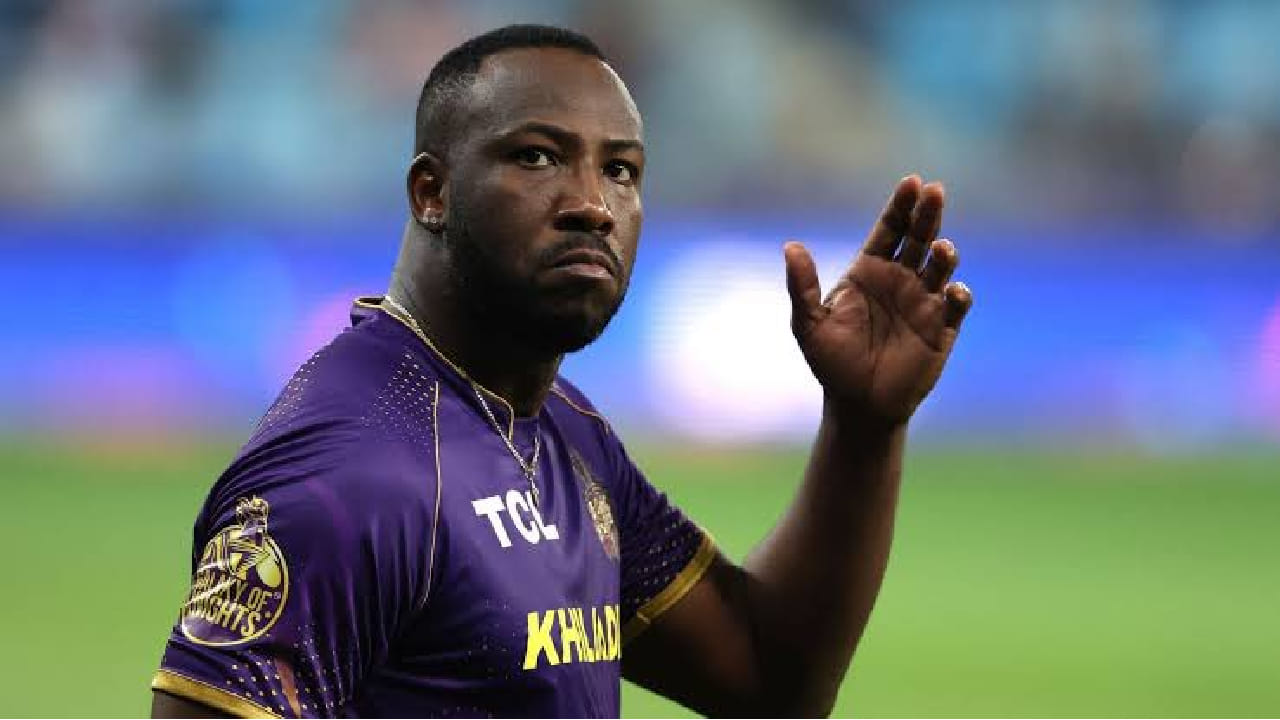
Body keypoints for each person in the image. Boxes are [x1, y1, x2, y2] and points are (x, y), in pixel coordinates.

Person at [150, 24, 972, 719]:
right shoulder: (351, 472)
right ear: (432, 192)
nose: (593, 204)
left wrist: (864, 429)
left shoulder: (562, 431)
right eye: (539, 157)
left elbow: (765, 677)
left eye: (621, 170)